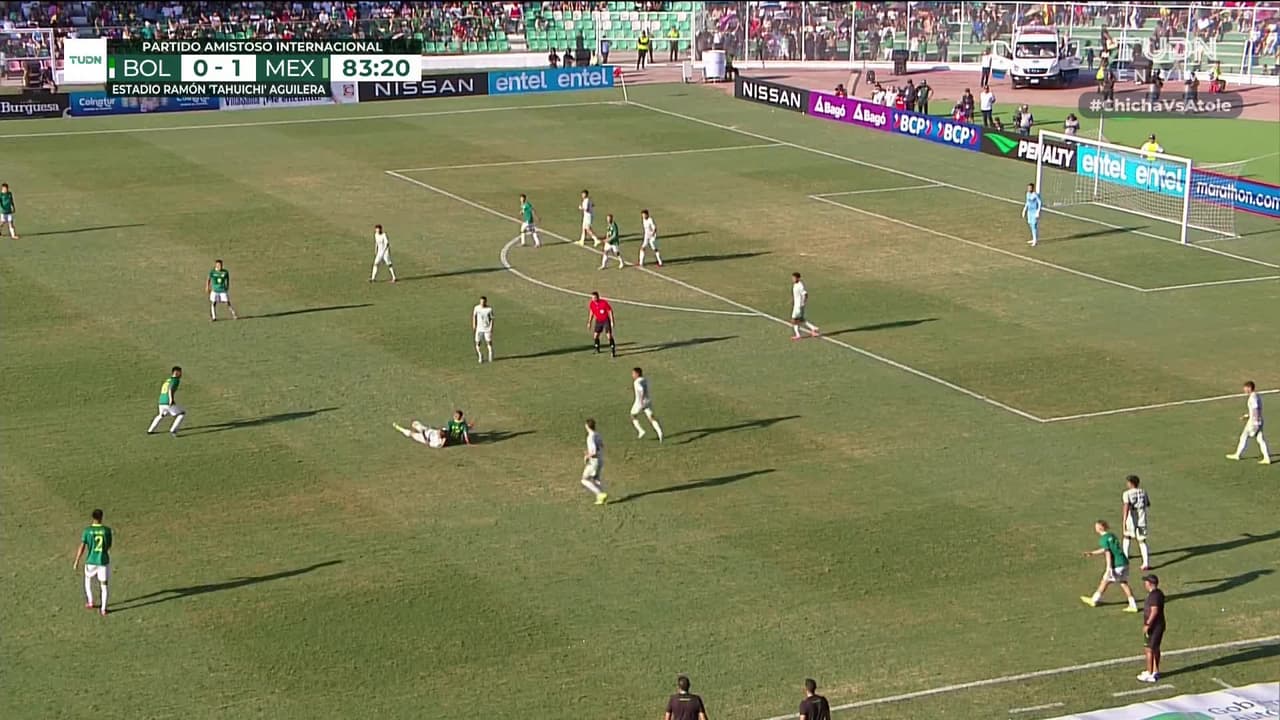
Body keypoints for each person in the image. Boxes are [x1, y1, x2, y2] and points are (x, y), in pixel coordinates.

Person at [1081, 520, 1139, 612]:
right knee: (1123, 583)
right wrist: (1092, 553)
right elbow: (1106, 549)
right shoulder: (1111, 536)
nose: (1095, 528)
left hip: (1117, 564)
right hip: (1124, 562)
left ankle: (1094, 600)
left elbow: (1108, 553)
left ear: (1100, 528)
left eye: (1096, 526)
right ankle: (1133, 605)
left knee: (1105, 581)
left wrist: (1108, 568)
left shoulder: (1103, 539)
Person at [72, 509, 113, 616]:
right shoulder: (107, 530)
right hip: (103, 561)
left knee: (88, 580)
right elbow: (108, 546)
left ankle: (90, 602)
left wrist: (77, 560)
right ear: (101, 517)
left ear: (92, 517)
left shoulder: (87, 531)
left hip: (91, 561)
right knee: (104, 585)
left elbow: (82, 547)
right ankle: (103, 609)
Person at [1227, 380, 1271, 463]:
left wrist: (1255, 422)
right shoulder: (1256, 396)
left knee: (1244, 436)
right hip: (1259, 420)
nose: (1244, 390)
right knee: (1260, 439)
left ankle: (1237, 455)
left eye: (1245, 388)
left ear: (1249, 388)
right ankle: (1266, 458)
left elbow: (1255, 409)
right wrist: (1247, 416)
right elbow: (1255, 410)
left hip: (1254, 422)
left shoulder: (1253, 397)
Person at [1138, 574, 1166, 683]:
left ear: (1150, 583)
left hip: (1154, 627)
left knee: (1149, 649)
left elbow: (1154, 611)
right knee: (1153, 648)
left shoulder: (1154, 596)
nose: (1144, 584)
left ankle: (1151, 673)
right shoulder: (1158, 593)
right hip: (1157, 625)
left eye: (1146, 582)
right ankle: (1154, 670)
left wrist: (1148, 624)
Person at [1121, 475, 1153, 570]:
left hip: (1132, 519)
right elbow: (1148, 504)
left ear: (1131, 483)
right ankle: (1146, 563)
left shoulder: (1127, 493)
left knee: (1127, 536)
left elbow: (1126, 507)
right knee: (1142, 540)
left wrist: (1124, 520)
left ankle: (1125, 556)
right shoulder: (1143, 492)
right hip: (1142, 520)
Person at [146, 366, 186, 436]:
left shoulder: (168, 380)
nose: (181, 374)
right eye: (180, 372)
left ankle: (150, 430)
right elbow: (170, 389)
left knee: (161, 415)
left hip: (161, 401)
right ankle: (173, 430)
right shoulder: (175, 380)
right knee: (181, 414)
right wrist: (171, 400)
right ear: (176, 373)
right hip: (167, 401)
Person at [630, 367, 665, 441]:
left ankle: (640, 430)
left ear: (637, 374)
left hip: (640, 402)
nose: (632, 375)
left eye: (633, 373)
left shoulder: (636, 382)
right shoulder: (645, 379)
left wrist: (641, 399)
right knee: (651, 417)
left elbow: (641, 389)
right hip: (648, 401)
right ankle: (659, 432)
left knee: (632, 415)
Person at [581, 418, 607, 505]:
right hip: (601, 459)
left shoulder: (590, 437)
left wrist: (587, 456)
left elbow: (594, 451)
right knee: (596, 479)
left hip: (594, 462)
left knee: (584, 480)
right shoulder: (597, 434)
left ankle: (600, 494)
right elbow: (602, 445)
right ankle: (601, 498)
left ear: (587, 426)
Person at [790, 272, 820, 340]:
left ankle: (798, 335)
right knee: (801, 319)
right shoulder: (795, 284)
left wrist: (803, 302)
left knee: (794, 320)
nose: (793, 279)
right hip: (797, 305)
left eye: (794, 278)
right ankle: (813, 328)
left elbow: (805, 294)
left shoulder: (800, 285)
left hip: (798, 306)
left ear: (798, 278)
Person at [588, 291, 617, 357]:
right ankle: (597, 348)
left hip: (606, 320)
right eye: (592, 298)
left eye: (594, 297)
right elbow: (591, 312)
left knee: (609, 336)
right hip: (598, 321)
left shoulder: (603, 303)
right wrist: (589, 322)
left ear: (598, 297)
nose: (593, 299)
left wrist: (612, 321)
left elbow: (610, 311)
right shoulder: (592, 304)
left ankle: (613, 351)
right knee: (595, 336)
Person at [472, 296, 495, 364]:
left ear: (486, 302)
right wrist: (474, 324)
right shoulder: (476, 308)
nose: (482, 303)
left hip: (487, 329)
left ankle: (490, 354)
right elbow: (474, 316)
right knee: (477, 343)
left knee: (488, 342)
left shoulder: (489, 309)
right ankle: (480, 356)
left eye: (483, 302)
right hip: (479, 329)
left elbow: (492, 319)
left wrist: (491, 327)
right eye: (481, 302)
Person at [1022, 182, 1042, 247]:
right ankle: (1034, 238)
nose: (1028, 189)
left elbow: (1039, 203)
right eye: (1028, 188)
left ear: (1032, 188)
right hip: (1029, 212)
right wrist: (1024, 210)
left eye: (1030, 188)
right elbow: (1027, 202)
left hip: (1034, 212)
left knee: (1034, 225)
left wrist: (1038, 212)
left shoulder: (1035, 195)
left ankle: (1035, 240)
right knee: (1030, 223)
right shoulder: (1027, 194)